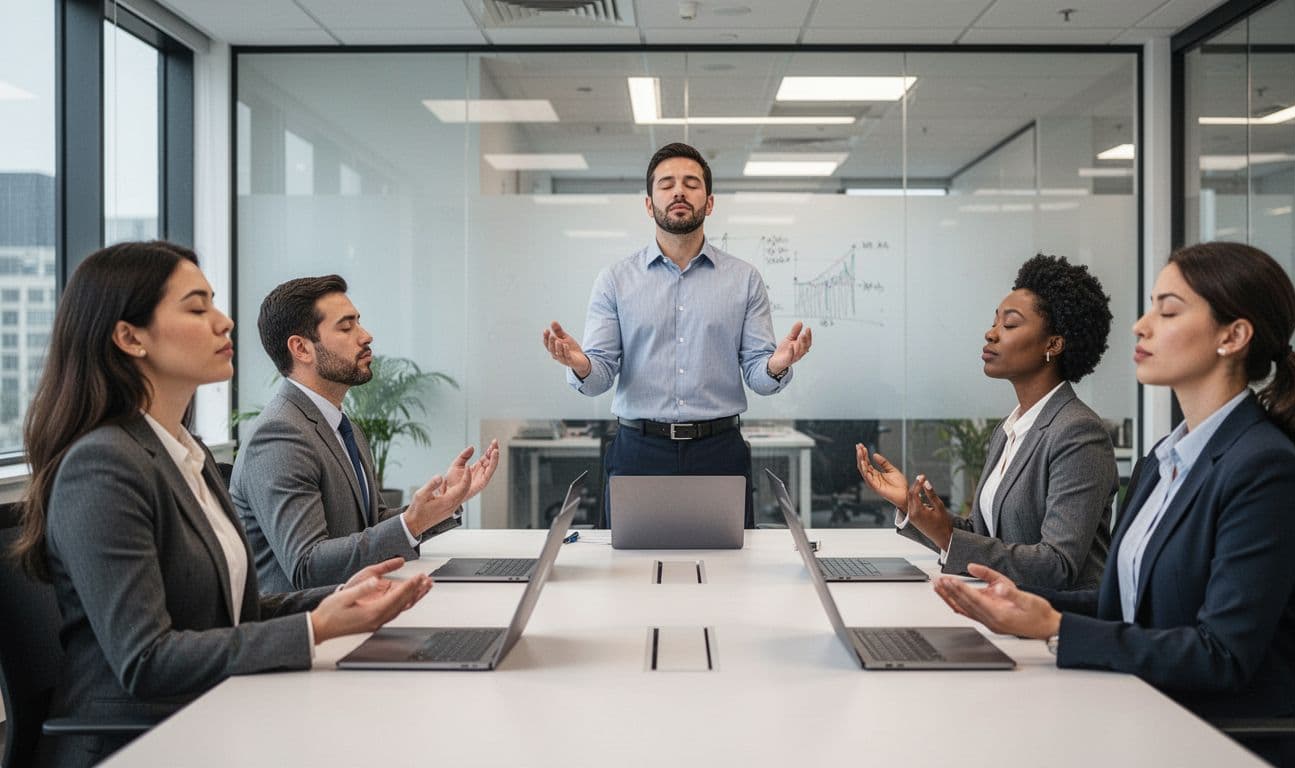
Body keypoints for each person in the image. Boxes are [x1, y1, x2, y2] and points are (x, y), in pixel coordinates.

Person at [9, 242, 433, 768]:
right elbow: (148, 661)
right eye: (196, 307)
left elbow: (233, 612)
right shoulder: (102, 466)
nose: (224, 321)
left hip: (214, 711)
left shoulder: (186, 452)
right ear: (129, 337)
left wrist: (339, 599)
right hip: (141, 742)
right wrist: (317, 628)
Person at [933, 242, 1295, 768]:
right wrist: (1028, 609)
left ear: (1232, 336)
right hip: (1143, 704)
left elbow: (1222, 656)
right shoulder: (1164, 459)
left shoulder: (1262, 468)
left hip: (1223, 735)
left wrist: (1055, 628)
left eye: (1168, 311)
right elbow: (1131, 607)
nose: (1141, 327)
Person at [541, 142, 812, 526]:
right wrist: (580, 364)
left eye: (691, 183)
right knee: (625, 574)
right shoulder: (615, 280)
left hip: (719, 452)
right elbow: (598, 377)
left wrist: (776, 365)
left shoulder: (744, 279)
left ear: (710, 202)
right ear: (649, 204)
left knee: (731, 573)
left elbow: (759, 378)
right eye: (666, 184)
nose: (679, 191)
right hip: (638, 451)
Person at [856, 254, 1117, 590]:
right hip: (999, 606)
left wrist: (947, 535)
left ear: (1053, 344)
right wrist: (910, 505)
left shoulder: (1078, 433)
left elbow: (1057, 565)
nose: (991, 334)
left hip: (1051, 625)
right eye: (995, 322)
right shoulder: (1011, 428)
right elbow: (984, 534)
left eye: (1009, 325)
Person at [232, 275, 498, 593]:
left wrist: (445, 501)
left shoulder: (343, 426)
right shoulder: (280, 435)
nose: (366, 336)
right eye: (346, 327)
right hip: (313, 629)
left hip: (361, 605)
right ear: (301, 348)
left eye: (359, 323)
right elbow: (307, 566)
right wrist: (411, 523)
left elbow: (369, 523)